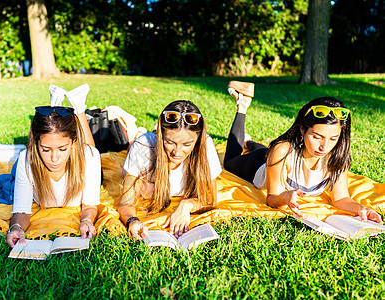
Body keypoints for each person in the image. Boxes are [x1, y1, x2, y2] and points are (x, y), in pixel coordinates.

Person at [223, 81, 383, 224]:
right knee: (230, 161)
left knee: (263, 150)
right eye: (317, 137)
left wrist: (361, 209)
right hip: (258, 167)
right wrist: (283, 197)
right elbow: (272, 198)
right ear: (302, 130)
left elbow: (341, 199)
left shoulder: (338, 157)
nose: (324, 147)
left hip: (273, 157)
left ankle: (250, 143)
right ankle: (242, 106)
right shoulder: (282, 151)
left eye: (333, 138)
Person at [5, 84, 102, 248]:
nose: (54, 159)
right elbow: (21, 210)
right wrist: (16, 227)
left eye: (63, 149)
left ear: (73, 143)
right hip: (26, 163)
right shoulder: (26, 159)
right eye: (45, 149)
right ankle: (55, 106)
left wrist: (87, 221)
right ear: (36, 144)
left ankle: (77, 109)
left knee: (91, 152)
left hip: (85, 154)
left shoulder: (90, 157)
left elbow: (90, 205)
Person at [118, 100, 222, 240]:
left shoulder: (206, 145)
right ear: (160, 135)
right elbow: (126, 204)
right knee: (134, 153)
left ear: (197, 139)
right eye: (170, 142)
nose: (177, 152)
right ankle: (134, 136)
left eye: (187, 144)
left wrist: (187, 205)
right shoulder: (143, 147)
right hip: (140, 152)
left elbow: (210, 198)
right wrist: (132, 221)